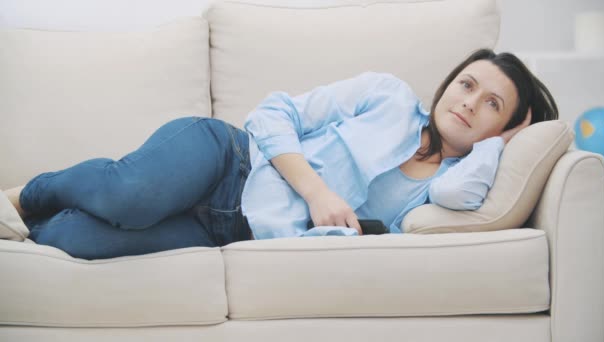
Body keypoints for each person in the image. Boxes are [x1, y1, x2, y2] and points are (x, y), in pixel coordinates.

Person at [3, 48, 558, 260]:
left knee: (75, 240)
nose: (468, 103)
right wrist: (316, 190)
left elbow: (460, 192)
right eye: (466, 84)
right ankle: (29, 194)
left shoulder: (446, 189)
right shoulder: (387, 94)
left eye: (492, 105)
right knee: (131, 195)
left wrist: (500, 145)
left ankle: (40, 220)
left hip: (230, 231)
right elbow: (271, 114)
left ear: (502, 129)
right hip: (228, 159)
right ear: (447, 84)